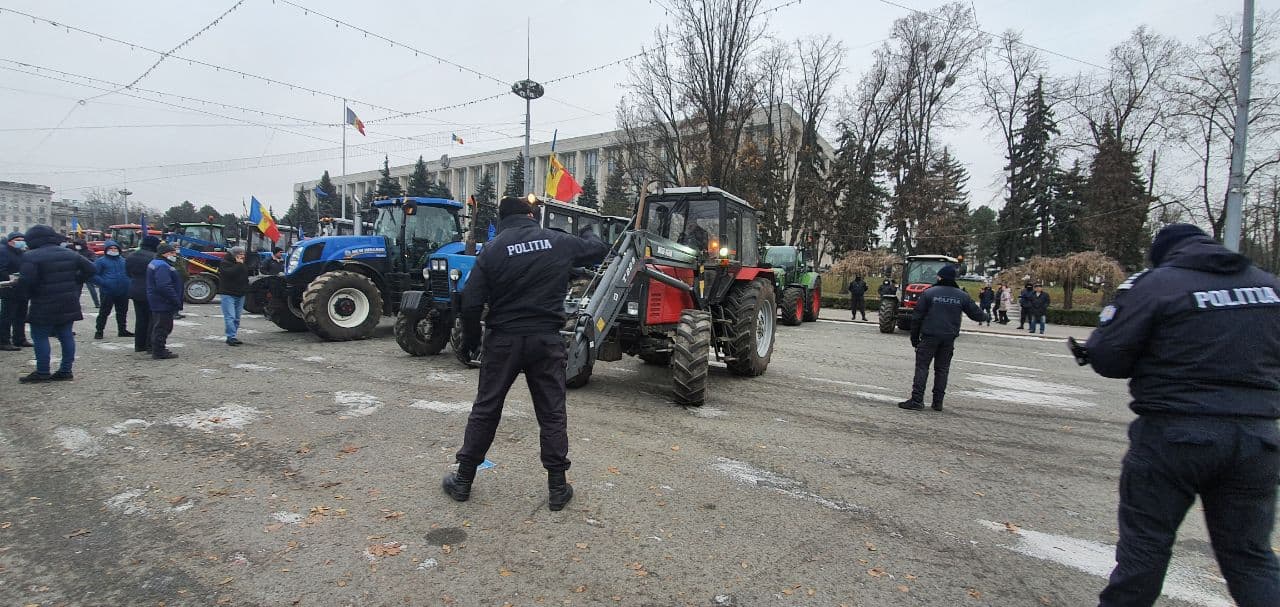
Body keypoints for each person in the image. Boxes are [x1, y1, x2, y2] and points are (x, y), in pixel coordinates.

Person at [1078, 224, 1279, 606]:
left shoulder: (1158, 285)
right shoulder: (1269, 286)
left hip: (1174, 433)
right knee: (1251, 559)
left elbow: (1108, 356)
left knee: (1145, 552)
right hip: (1257, 437)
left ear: (1166, 253)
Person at [442, 196, 611, 511]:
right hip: (546, 342)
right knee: (551, 413)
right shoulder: (556, 241)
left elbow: (472, 301)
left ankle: (463, 480)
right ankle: (558, 489)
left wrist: (470, 339)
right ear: (532, 215)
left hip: (503, 341)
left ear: (502, 220)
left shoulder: (492, 250)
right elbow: (599, 249)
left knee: (486, 408)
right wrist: (587, 234)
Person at [897, 265, 987, 412]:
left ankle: (917, 400)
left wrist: (914, 339)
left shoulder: (929, 293)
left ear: (940, 277)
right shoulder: (961, 295)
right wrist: (987, 317)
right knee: (942, 370)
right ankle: (938, 402)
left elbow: (917, 317)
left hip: (929, 336)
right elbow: (976, 314)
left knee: (922, 367)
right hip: (948, 338)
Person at [15, 225, 95, 382]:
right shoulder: (70, 253)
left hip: (43, 302)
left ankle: (43, 372)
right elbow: (91, 269)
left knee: (40, 336)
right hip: (68, 301)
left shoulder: (31, 256)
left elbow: (27, 281)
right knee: (66, 336)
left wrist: (25, 293)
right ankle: (66, 370)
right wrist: (76, 280)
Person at [146, 244, 183, 359]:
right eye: (173, 253)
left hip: (157, 300)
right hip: (163, 301)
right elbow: (164, 286)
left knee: (157, 325)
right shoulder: (162, 266)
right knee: (163, 327)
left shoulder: (155, 263)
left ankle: (154, 348)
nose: (175, 255)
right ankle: (159, 351)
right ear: (165, 253)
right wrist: (175, 300)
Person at [91, 240, 133, 340]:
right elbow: (93, 275)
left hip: (123, 291)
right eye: (111, 248)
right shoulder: (101, 261)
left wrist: (129, 283)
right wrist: (103, 283)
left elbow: (129, 273)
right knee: (104, 312)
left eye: (115, 248)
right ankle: (99, 331)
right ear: (106, 249)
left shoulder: (123, 260)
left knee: (122, 312)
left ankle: (122, 330)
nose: (113, 250)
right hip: (107, 291)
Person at [125, 236, 160, 353]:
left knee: (140, 319)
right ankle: (150, 345)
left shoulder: (131, 256)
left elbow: (127, 273)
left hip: (135, 289)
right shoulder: (154, 257)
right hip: (150, 291)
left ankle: (139, 345)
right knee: (152, 319)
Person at [0, 231, 30, 351]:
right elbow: (1, 269)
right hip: (9, 288)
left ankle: (20, 338)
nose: (20, 242)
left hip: (22, 288)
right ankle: (3, 340)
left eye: (22, 240)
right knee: (7, 316)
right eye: (18, 240)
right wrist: (10, 277)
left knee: (21, 315)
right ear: (10, 241)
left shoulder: (22, 252)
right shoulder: (3, 252)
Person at [218, 246, 250, 346]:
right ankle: (230, 337)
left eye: (243, 254)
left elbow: (245, 277)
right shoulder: (225, 263)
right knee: (230, 316)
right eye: (240, 254)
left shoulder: (242, 264)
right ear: (234, 254)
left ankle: (233, 335)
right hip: (228, 294)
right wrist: (239, 265)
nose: (242, 256)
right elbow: (230, 274)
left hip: (240, 294)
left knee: (237, 318)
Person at [73, 238, 100, 309]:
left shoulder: (89, 252)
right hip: (78, 274)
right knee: (77, 290)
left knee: (91, 289)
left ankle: (97, 303)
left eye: (78, 245)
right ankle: (76, 304)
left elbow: (94, 261)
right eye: (76, 245)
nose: (77, 246)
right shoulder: (75, 252)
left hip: (87, 274)